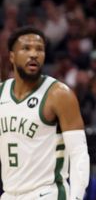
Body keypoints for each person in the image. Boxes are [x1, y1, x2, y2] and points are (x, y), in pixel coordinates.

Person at [0, 27, 90, 200]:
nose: (34, 54)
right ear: (12, 56)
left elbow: (79, 153)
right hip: (10, 194)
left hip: (47, 193)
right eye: (26, 48)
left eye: (39, 49)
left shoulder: (59, 94)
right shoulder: (2, 93)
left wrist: (77, 197)